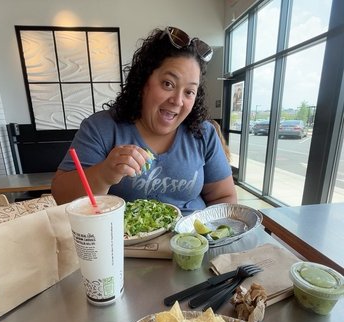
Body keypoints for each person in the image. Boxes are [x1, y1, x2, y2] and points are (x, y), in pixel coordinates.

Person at [51, 26, 237, 215]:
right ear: (143, 82)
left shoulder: (203, 133)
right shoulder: (101, 128)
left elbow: (223, 197)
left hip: (192, 241)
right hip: (123, 240)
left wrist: (209, 237)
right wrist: (104, 173)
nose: (178, 101)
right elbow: (61, 197)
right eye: (168, 84)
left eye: (189, 92)